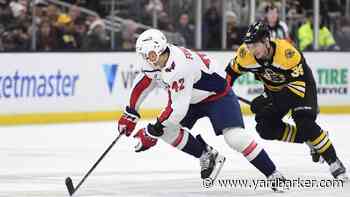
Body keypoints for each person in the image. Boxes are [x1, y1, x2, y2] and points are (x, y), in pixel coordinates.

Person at [117, 28, 285, 187]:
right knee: (166, 130)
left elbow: (176, 111)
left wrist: (151, 131)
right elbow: (143, 82)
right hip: (192, 98)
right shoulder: (156, 62)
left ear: (161, 49)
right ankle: (207, 155)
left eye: (151, 55)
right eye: (145, 56)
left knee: (235, 138)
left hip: (217, 96)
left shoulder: (179, 67)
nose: (148, 60)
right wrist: (131, 112)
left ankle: (273, 174)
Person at [225, 21, 348, 180]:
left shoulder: (287, 53)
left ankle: (334, 161)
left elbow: (295, 92)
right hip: (275, 90)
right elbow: (230, 72)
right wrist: (224, 91)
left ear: (266, 41)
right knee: (265, 127)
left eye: (255, 45)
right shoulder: (246, 54)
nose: (252, 50)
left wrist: (265, 99)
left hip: (301, 87)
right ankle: (312, 138)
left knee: (304, 122)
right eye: (249, 46)